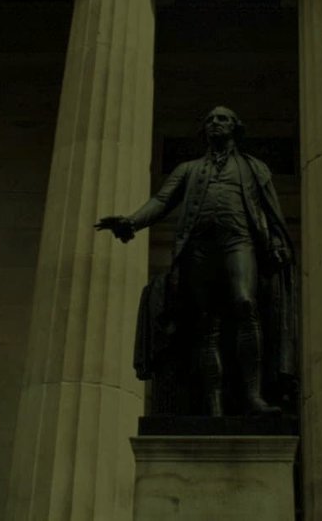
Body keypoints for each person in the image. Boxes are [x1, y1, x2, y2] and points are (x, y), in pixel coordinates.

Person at [96, 106, 295, 417]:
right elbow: (162, 200)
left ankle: (252, 396)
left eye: (223, 118)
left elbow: (271, 211)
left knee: (245, 303)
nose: (215, 122)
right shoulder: (188, 169)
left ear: (235, 127)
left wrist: (279, 242)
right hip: (198, 249)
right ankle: (213, 404)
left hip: (239, 241)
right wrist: (132, 222)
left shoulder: (255, 168)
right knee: (206, 323)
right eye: (210, 119)